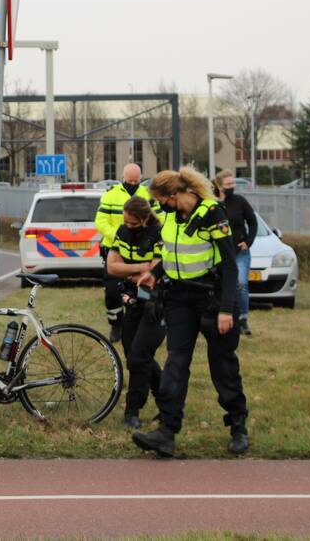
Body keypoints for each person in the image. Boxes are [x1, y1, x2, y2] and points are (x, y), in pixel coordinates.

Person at [132, 167, 249, 457]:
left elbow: (231, 265)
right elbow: (175, 251)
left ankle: (238, 427)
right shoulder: (171, 216)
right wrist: (155, 273)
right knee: (175, 363)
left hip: (212, 298)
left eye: (162, 200)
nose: (160, 207)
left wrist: (225, 310)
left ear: (175, 195)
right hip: (180, 299)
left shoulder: (212, 214)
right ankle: (166, 433)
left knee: (222, 365)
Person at [106, 196, 167, 430]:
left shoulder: (158, 232)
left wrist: (135, 270)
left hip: (155, 303)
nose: (128, 226)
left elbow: (156, 269)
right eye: (126, 222)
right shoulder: (122, 231)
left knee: (140, 356)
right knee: (134, 356)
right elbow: (111, 267)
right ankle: (167, 403)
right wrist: (140, 268)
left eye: (132, 223)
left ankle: (132, 410)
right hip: (131, 301)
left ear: (144, 218)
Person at [95, 163, 152, 343]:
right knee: (112, 291)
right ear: (123, 178)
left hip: (142, 250)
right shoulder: (110, 195)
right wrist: (120, 237)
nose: (133, 184)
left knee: (142, 288)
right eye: (130, 181)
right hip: (115, 249)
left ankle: (142, 325)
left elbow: (158, 219)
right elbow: (101, 221)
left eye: (136, 181)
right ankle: (116, 324)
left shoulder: (147, 195)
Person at [214, 170, 258, 335]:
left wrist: (248, 242)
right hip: (219, 253)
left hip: (239, 252)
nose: (232, 187)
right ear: (219, 186)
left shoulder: (240, 202)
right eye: (228, 184)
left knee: (241, 284)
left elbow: (252, 222)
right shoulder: (213, 204)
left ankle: (243, 320)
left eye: (233, 184)